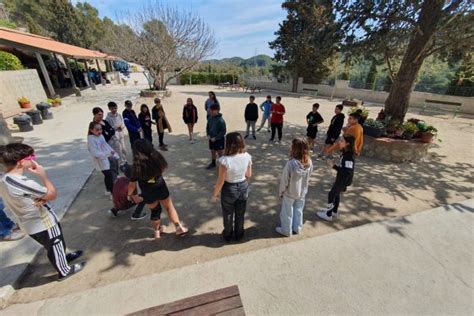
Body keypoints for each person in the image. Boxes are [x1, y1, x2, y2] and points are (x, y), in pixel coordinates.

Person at [0, 143, 85, 280]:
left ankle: (61, 259)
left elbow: (23, 197)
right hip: (42, 222)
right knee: (55, 242)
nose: (33, 159)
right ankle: (64, 270)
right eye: (31, 157)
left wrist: (40, 198)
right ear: (21, 162)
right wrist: (43, 176)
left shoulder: (4, 179)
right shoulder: (24, 182)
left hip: (28, 222)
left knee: (53, 245)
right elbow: (52, 194)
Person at [128, 139, 188, 239]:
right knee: (169, 207)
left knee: (155, 211)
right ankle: (178, 227)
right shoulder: (156, 157)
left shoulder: (135, 166)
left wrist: (130, 195)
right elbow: (164, 168)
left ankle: (157, 231)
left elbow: (132, 184)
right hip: (160, 187)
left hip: (147, 192)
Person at [211, 132, 252, 242]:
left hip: (229, 188)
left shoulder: (224, 160)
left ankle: (228, 235)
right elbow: (249, 175)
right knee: (240, 213)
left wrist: (215, 194)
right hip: (243, 186)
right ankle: (239, 234)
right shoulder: (247, 156)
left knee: (228, 213)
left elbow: (221, 181)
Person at [275, 138, 313, 237]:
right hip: (302, 191)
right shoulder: (309, 162)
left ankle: (286, 230)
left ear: (294, 148)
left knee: (287, 211)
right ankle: (297, 227)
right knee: (298, 209)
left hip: (290, 192)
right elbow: (309, 175)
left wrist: (281, 191)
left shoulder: (291, 164)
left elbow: (284, 180)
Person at [317, 135, 356, 221]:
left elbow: (347, 172)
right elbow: (345, 169)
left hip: (343, 180)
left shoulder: (348, 157)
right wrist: (335, 166)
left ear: (347, 144)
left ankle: (328, 214)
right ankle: (334, 211)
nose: (339, 142)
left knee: (331, 194)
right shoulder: (345, 153)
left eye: (342, 141)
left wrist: (334, 166)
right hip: (342, 179)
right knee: (336, 194)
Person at [87, 121, 119, 196]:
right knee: (108, 175)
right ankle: (112, 192)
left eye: (100, 129)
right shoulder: (91, 139)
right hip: (100, 160)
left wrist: (112, 152)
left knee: (109, 175)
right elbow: (95, 152)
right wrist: (107, 154)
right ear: (91, 130)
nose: (100, 131)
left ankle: (109, 190)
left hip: (106, 157)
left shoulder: (101, 136)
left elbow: (105, 146)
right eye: (97, 130)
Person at [93, 107, 119, 181]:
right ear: (94, 115)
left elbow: (112, 131)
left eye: (102, 114)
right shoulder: (95, 125)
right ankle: (112, 181)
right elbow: (105, 136)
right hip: (103, 147)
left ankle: (115, 177)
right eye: (99, 114)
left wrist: (109, 132)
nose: (101, 116)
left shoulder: (104, 121)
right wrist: (109, 132)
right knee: (109, 164)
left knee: (115, 160)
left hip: (110, 144)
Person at [106, 102, 127, 166]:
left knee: (124, 149)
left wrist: (122, 126)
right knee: (119, 151)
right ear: (109, 109)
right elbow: (108, 128)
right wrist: (116, 127)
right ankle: (120, 164)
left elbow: (122, 122)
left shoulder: (119, 115)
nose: (114, 110)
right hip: (115, 137)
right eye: (112, 108)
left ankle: (124, 161)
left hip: (121, 135)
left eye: (115, 108)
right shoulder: (108, 118)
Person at [206, 104, 226, 169]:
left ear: (217, 110)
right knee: (212, 151)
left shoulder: (221, 120)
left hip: (219, 139)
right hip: (211, 138)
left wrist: (216, 138)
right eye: (210, 111)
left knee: (220, 153)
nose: (210, 112)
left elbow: (223, 131)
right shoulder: (209, 118)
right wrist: (208, 134)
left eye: (212, 111)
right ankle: (213, 163)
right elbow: (207, 127)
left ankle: (222, 166)